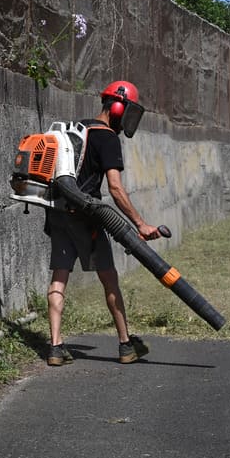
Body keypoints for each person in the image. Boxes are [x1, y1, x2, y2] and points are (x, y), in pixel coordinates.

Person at [45, 80, 160, 366]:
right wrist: (140, 224)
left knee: (59, 277)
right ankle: (125, 345)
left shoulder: (76, 129)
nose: (127, 120)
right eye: (128, 112)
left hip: (59, 213)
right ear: (118, 107)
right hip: (89, 217)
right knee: (109, 279)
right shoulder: (107, 137)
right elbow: (116, 189)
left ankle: (56, 347)